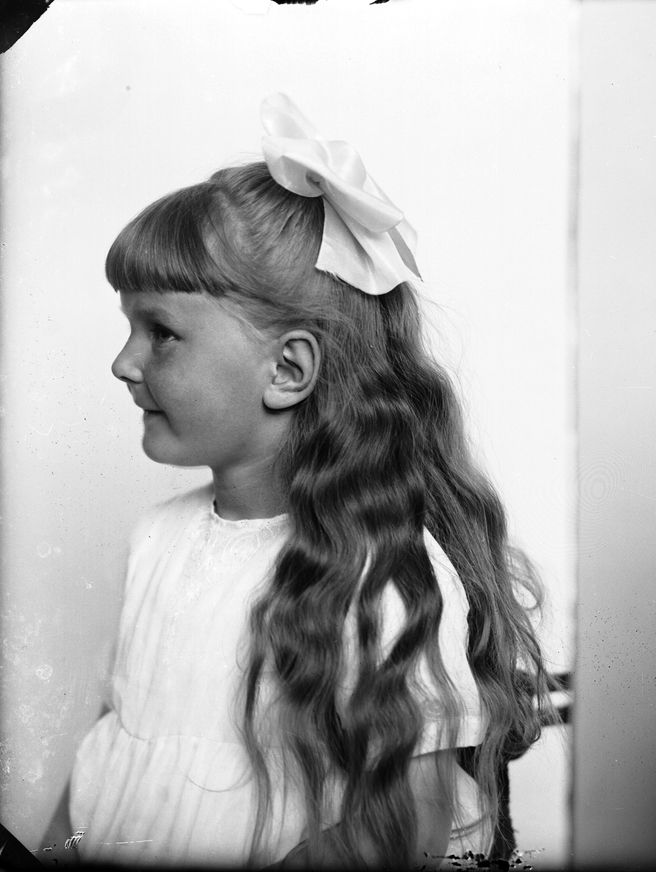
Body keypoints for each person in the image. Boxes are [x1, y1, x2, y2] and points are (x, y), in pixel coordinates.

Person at [41, 94, 549, 868]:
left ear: (287, 370)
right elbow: (112, 743)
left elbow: (402, 827)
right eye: (128, 329)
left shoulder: (376, 571)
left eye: (161, 332)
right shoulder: (156, 538)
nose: (123, 363)